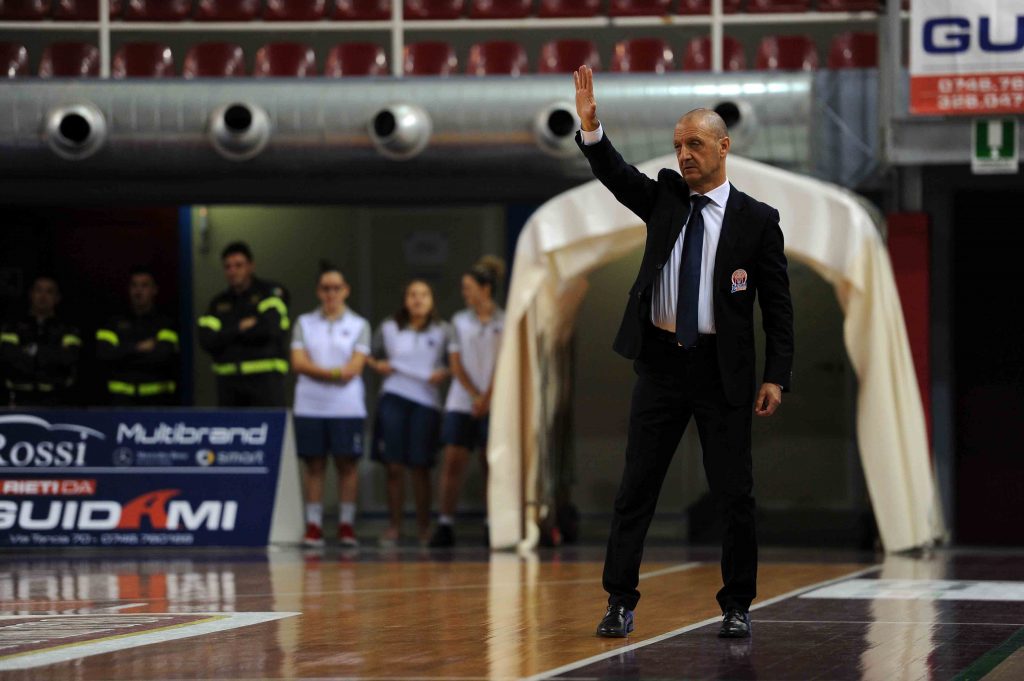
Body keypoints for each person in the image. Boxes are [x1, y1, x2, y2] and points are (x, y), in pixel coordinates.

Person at [573, 65, 794, 639]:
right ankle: (619, 600)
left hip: (723, 370)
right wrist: (592, 129)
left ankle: (737, 605)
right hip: (662, 365)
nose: (684, 155)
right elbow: (616, 174)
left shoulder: (757, 220)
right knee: (636, 488)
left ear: (724, 146)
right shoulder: (665, 199)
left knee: (734, 495)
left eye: (694, 144)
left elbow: (778, 308)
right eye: (677, 146)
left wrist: (777, 375)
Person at [290, 262, 371, 548]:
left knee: (347, 465)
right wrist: (335, 373)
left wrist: (321, 372)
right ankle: (314, 525)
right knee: (314, 465)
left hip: (346, 406)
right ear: (318, 291)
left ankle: (346, 525)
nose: (331, 293)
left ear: (346, 290)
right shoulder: (304, 323)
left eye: (336, 288)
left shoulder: (359, 325)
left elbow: (355, 368)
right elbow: (298, 363)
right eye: (326, 288)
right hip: (310, 406)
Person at [429, 256, 506, 548]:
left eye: (468, 287)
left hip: (494, 403)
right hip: (462, 402)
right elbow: (455, 363)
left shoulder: (506, 320)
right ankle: (445, 523)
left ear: (485, 289)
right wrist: (475, 395)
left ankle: (492, 524)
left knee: (490, 464)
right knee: (452, 462)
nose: (464, 293)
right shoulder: (458, 322)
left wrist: (488, 397)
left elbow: (505, 363)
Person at [369, 280, 451, 547]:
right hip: (394, 396)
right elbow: (369, 354)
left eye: (424, 294)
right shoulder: (389, 327)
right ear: (405, 299)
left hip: (426, 401)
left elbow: (454, 362)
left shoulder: (443, 330)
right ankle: (395, 527)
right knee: (394, 466)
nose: (418, 299)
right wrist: (377, 365)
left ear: (432, 300)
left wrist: (445, 372)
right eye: (412, 294)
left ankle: (424, 527)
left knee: (420, 466)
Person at [197, 242, 290, 407]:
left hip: (265, 385)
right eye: (228, 267)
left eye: (238, 265)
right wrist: (240, 327)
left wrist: (226, 332)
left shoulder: (270, 293)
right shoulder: (217, 303)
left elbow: (269, 330)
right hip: (229, 387)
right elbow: (207, 341)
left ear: (251, 266)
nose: (233, 271)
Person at [95, 267, 179, 406]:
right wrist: (138, 348)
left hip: (157, 401)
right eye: (134, 285)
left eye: (144, 285)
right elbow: (105, 354)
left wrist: (123, 351)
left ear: (154, 290)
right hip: (121, 401)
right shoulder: (113, 322)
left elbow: (162, 356)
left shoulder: (165, 323)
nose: (138, 291)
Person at [1, 275, 81, 407]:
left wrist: (31, 351)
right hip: (19, 399)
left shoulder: (68, 328)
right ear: (31, 294)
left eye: (49, 292)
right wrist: (51, 353)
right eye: (38, 290)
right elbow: (8, 356)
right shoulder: (13, 325)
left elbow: (68, 359)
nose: (43, 296)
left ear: (57, 298)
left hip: (57, 399)